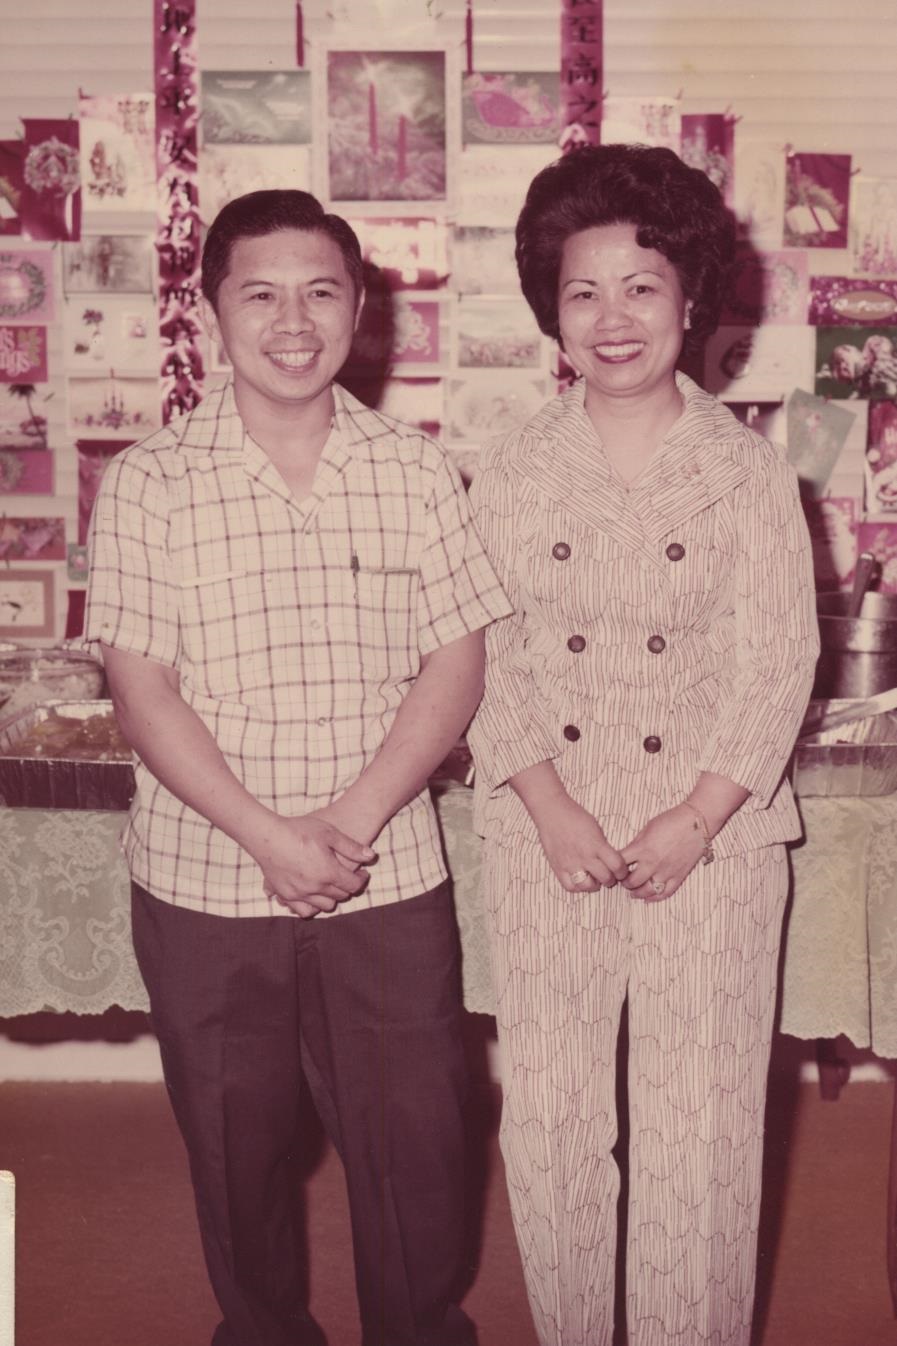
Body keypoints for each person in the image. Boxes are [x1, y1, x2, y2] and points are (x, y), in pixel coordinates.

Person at [83, 189, 511, 1346]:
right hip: (207, 876)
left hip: (388, 871)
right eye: (259, 293)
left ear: (360, 310)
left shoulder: (414, 471)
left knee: (418, 1139)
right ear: (209, 312)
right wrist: (271, 836)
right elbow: (142, 688)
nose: (292, 320)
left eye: (321, 291)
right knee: (237, 1143)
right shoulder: (149, 480)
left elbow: (456, 662)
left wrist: (352, 821)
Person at [467, 144, 820, 1346]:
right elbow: (480, 652)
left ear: (691, 298)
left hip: (713, 835)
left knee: (698, 1123)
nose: (612, 318)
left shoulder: (749, 472)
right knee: (553, 1118)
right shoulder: (511, 466)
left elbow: (779, 659)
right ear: (550, 310)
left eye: (641, 286)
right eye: (583, 291)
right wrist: (549, 803)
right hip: (546, 827)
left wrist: (698, 816)